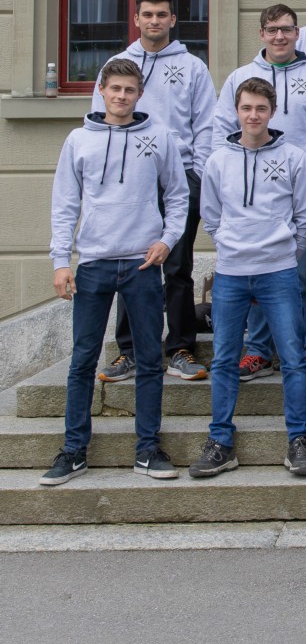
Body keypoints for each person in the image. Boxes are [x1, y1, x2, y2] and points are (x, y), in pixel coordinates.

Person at [43, 57, 188, 485]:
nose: (122, 96)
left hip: (142, 263)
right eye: (115, 89)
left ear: (139, 94)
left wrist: (167, 240)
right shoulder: (78, 140)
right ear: (102, 92)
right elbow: (65, 204)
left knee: (150, 361)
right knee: (82, 360)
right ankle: (73, 451)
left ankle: (147, 449)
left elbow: (178, 195)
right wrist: (60, 261)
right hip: (94, 264)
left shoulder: (159, 137)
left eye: (129, 90)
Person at [189, 77, 306, 479]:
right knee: (224, 358)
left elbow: (305, 219)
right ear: (237, 111)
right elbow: (211, 216)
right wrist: (232, 247)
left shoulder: (295, 157)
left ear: (272, 112)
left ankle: (300, 439)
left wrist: (284, 255)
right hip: (231, 273)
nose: (253, 115)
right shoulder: (218, 161)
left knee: (293, 358)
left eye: (261, 108)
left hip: (278, 271)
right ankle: (220, 442)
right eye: (246, 108)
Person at [213, 4, 306, 381]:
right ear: (261, 34)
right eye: (272, 29)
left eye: (286, 29)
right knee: (256, 272)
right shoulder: (241, 77)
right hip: (251, 196)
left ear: (297, 33)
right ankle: (258, 350)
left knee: (302, 274)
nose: (279, 36)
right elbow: (219, 132)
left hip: (304, 191)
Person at [89, 0, 215, 383]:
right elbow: (99, 122)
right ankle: (129, 351)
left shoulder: (193, 67)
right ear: (136, 19)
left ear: (173, 20)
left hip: (181, 178)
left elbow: (206, 125)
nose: (155, 21)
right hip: (132, 183)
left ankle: (180, 349)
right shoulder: (118, 65)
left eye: (162, 14)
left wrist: (197, 175)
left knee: (177, 267)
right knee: (131, 266)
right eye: (148, 14)